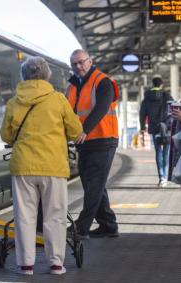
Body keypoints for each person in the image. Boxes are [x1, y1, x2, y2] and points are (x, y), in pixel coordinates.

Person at [0, 56, 82, 275]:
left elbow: (6, 135)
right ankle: (56, 263)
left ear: (23, 76)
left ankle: (26, 265)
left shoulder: (14, 101)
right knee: (55, 215)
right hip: (53, 167)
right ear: (47, 75)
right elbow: (75, 130)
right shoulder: (58, 100)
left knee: (24, 216)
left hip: (23, 168)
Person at [66, 49, 119, 239]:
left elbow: (101, 108)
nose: (78, 67)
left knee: (94, 184)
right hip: (85, 142)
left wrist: (84, 130)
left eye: (81, 62)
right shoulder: (72, 86)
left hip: (104, 139)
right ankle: (108, 225)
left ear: (91, 61)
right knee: (92, 184)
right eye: (74, 64)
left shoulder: (103, 82)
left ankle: (81, 227)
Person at [139, 76, 173, 187]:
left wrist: (143, 126)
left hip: (155, 128)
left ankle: (161, 177)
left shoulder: (147, 98)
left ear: (153, 84)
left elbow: (142, 113)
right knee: (166, 153)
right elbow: (174, 110)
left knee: (158, 151)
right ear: (161, 84)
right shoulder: (167, 96)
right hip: (167, 128)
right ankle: (166, 177)